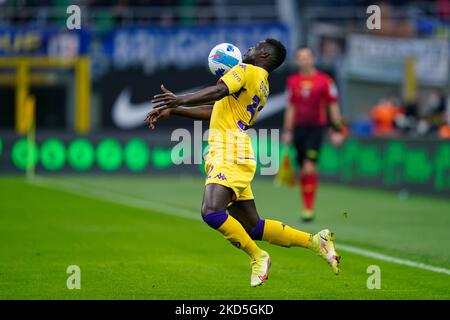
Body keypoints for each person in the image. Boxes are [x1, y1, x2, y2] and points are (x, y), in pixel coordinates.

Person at [145, 39, 340, 287]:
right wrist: (175, 111)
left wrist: (180, 99)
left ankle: (258, 257)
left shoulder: (244, 70)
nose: (249, 48)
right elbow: (217, 108)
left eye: (257, 46)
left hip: (229, 150)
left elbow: (217, 92)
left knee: (211, 211)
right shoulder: (262, 83)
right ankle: (315, 241)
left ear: (265, 54)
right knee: (253, 227)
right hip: (236, 150)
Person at [283, 47, 345, 222]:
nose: (304, 61)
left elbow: (333, 106)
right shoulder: (292, 81)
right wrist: (287, 131)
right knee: (303, 170)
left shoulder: (325, 81)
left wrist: (337, 129)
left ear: (313, 59)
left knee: (310, 166)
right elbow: (291, 107)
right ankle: (306, 206)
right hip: (298, 130)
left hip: (315, 129)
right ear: (297, 60)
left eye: (307, 57)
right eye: (300, 58)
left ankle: (308, 209)